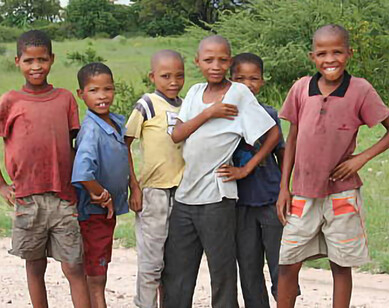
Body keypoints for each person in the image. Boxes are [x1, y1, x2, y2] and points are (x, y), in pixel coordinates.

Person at [276, 24, 389, 308]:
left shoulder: (360, 90)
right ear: (312, 56)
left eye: (337, 52)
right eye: (322, 53)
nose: (329, 59)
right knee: (288, 262)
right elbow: (292, 138)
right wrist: (284, 187)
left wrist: (360, 158)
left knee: (340, 264)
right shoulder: (300, 89)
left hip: (342, 194)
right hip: (302, 193)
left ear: (349, 53)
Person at [162, 35, 280, 308]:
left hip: (217, 198)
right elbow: (177, 134)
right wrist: (209, 113)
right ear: (197, 61)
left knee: (222, 271)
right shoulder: (194, 91)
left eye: (223, 60)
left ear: (230, 61)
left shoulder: (239, 94)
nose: (215, 65)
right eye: (208, 60)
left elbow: (273, 133)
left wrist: (245, 168)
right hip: (185, 196)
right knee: (177, 270)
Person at [0, 30, 90, 308]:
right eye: (29, 60)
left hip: (63, 196)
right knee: (35, 266)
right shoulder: (10, 101)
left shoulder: (65, 99)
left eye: (42, 59)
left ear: (52, 59)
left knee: (74, 266)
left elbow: (76, 147)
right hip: (27, 198)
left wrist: (89, 185)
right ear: (18, 61)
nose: (36, 66)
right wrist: (2, 185)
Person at [221, 52, 285, 306]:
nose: (247, 85)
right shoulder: (223, 115)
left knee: (281, 264)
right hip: (239, 204)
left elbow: (282, 153)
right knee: (248, 265)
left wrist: (286, 190)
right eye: (240, 78)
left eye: (254, 78)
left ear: (262, 82)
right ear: (230, 80)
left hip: (271, 198)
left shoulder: (269, 114)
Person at [125, 49, 185, 308]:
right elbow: (124, 144)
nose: (173, 81)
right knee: (151, 265)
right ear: (152, 77)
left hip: (182, 193)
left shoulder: (187, 105)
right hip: (153, 193)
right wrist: (134, 187)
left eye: (179, 76)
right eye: (166, 76)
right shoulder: (147, 104)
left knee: (174, 264)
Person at [72, 62, 132, 308]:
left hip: (105, 214)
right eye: (94, 90)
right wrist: (102, 195)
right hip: (95, 213)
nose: (102, 96)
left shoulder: (114, 123)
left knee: (100, 268)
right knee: (96, 276)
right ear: (81, 94)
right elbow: (83, 173)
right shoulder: (91, 130)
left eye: (107, 89)